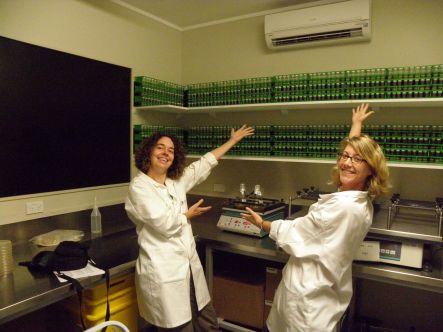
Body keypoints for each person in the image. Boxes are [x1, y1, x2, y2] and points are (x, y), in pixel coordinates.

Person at [241, 103, 390, 332]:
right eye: (345, 156)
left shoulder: (342, 209)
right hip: (327, 295)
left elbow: (296, 232)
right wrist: (356, 127)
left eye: (357, 159)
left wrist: (263, 223)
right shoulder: (361, 199)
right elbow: (350, 166)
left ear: (371, 168)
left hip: (306, 301)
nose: (347, 162)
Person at [125, 125, 254, 331]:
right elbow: (163, 223)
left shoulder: (175, 182)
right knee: (180, 327)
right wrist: (187, 215)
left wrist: (232, 141)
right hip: (164, 272)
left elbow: (203, 164)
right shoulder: (139, 187)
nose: (166, 153)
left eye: (171, 150)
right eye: (160, 148)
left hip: (189, 269)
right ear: (148, 152)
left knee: (208, 322)